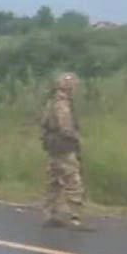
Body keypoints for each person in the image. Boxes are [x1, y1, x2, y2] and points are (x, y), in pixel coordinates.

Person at [40, 71, 88, 229]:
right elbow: (65, 127)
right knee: (73, 180)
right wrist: (77, 138)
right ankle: (75, 218)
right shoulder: (62, 103)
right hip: (63, 146)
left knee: (53, 181)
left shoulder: (52, 101)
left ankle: (51, 214)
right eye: (73, 85)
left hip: (52, 145)